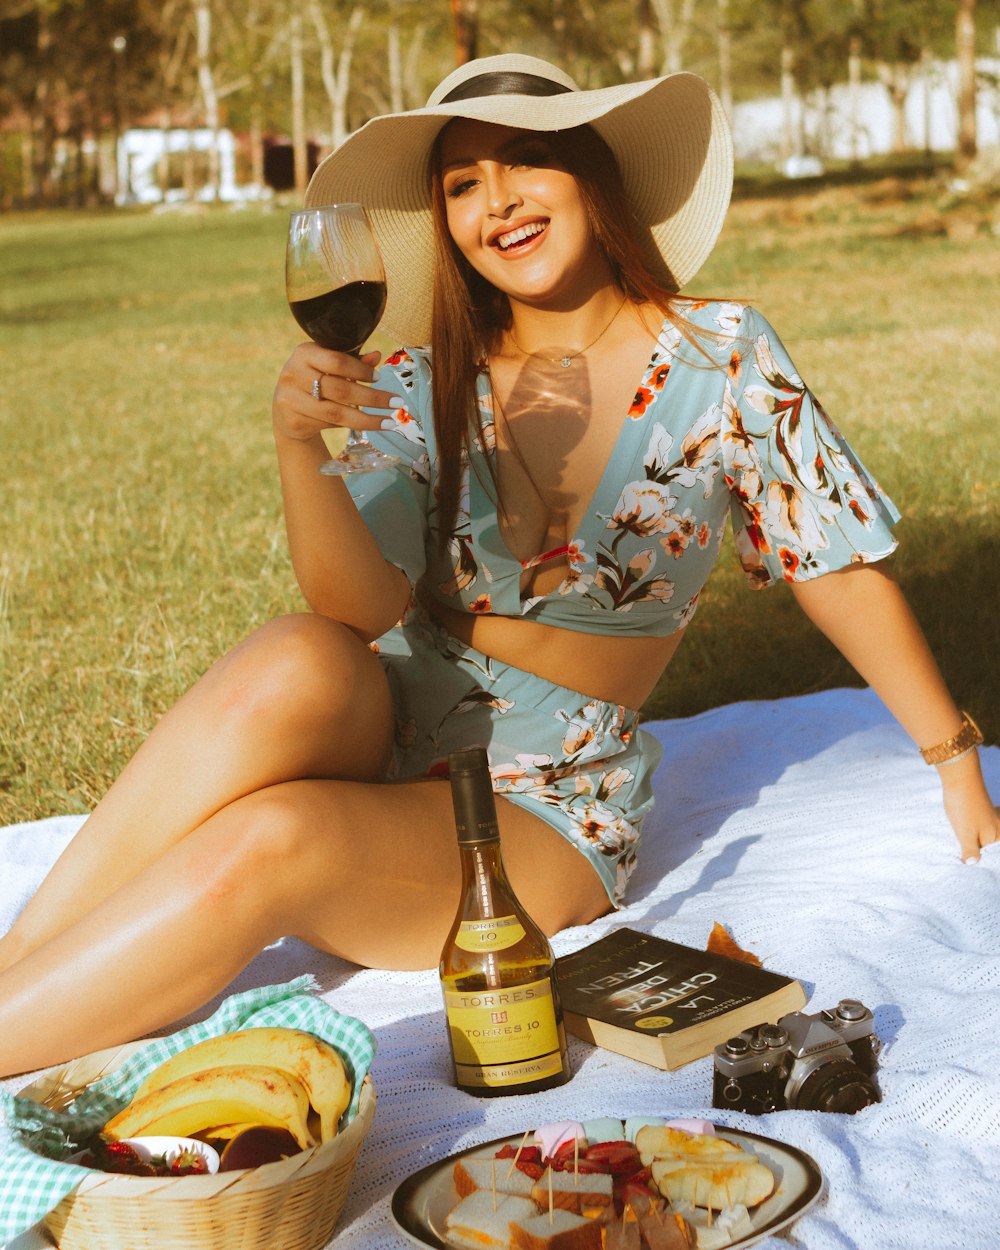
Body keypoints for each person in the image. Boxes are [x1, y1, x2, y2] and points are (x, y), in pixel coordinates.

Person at [0, 54, 995, 1079]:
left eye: (525, 162)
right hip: (381, 724)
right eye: (462, 185)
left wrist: (952, 755)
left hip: (536, 803)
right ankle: (18, 959)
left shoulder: (721, 355)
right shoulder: (418, 380)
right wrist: (300, 449)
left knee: (273, 833)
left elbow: (828, 562)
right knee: (296, 652)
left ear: (591, 177)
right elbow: (360, 606)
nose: (498, 202)